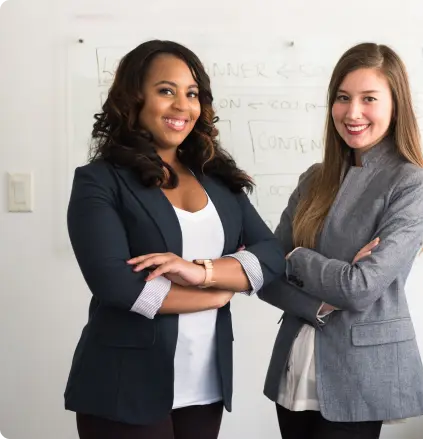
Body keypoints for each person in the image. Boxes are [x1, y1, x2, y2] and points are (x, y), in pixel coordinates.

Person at [64, 39, 285, 439]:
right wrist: (216, 295)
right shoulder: (99, 181)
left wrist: (200, 273)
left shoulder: (218, 179)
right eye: (167, 91)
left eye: (192, 93)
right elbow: (117, 285)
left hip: (204, 384)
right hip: (124, 385)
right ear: (134, 99)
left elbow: (271, 256)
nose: (182, 105)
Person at [258, 42, 423, 439]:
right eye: (343, 98)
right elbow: (267, 275)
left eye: (368, 99)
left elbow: (360, 288)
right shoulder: (314, 178)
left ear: (396, 105)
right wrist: (318, 301)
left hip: (360, 372)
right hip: (295, 363)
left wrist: (297, 256)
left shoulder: (412, 183)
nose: (352, 112)